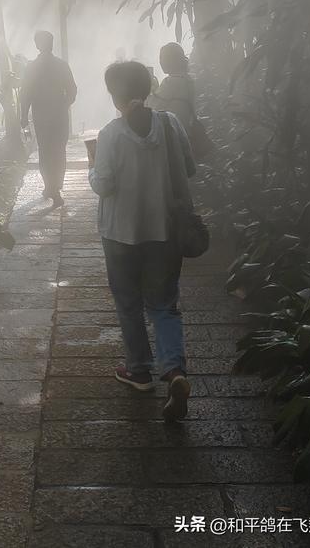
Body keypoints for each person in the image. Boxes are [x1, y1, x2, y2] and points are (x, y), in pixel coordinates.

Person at [87, 60, 196, 422]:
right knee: (165, 305)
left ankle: (139, 371)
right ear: (147, 88)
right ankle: (175, 372)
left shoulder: (111, 134)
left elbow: (104, 184)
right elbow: (190, 167)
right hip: (164, 232)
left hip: (121, 234)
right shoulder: (170, 123)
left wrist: (91, 168)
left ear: (115, 96)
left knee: (129, 303)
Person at [20, 30, 77, 207]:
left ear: (37, 45)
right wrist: (63, 105)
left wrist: (23, 116)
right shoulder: (62, 65)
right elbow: (73, 91)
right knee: (59, 149)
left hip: (41, 114)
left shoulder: (32, 67)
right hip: (59, 114)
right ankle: (55, 187)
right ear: (51, 44)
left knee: (45, 151)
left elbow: (25, 94)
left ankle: (49, 186)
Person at [147, 42, 195, 133]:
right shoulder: (188, 79)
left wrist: (149, 89)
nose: (160, 61)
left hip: (175, 134)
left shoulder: (171, 82)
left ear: (173, 60)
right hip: (187, 130)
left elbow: (151, 107)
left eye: (163, 58)